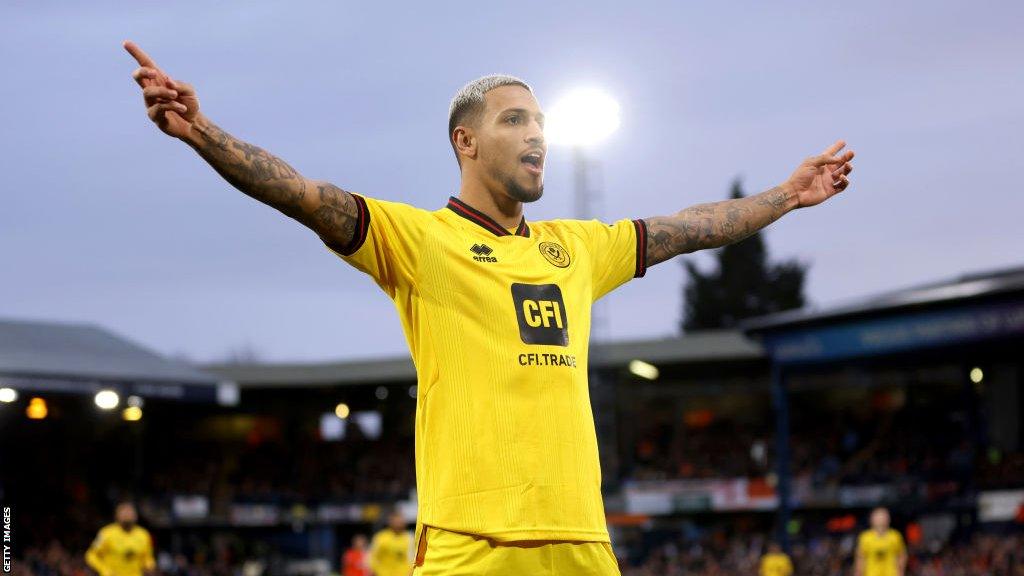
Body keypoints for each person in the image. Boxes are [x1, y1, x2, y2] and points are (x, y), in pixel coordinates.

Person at [123, 40, 855, 576]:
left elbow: (688, 227)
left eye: (540, 121)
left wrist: (789, 195)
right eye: (514, 120)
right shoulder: (419, 240)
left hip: (582, 546)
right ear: (465, 141)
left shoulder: (578, 249)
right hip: (470, 547)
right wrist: (202, 133)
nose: (537, 133)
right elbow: (302, 194)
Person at [85, 501, 156, 576]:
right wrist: (104, 570)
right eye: (124, 512)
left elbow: (148, 557)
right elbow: (91, 555)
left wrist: (150, 565)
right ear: (116, 516)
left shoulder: (144, 535)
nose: (127, 515)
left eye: (130, 512)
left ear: (136, 516)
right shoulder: (106, 533)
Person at [855, 507, 907, 576]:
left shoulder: (895, 536)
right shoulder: (865, 537)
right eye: (878, 517)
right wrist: (858, 572)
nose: (881, 519)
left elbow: (902, 555)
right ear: (872, 519)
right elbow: (860, 557)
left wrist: (901, 571)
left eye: (884, 516)